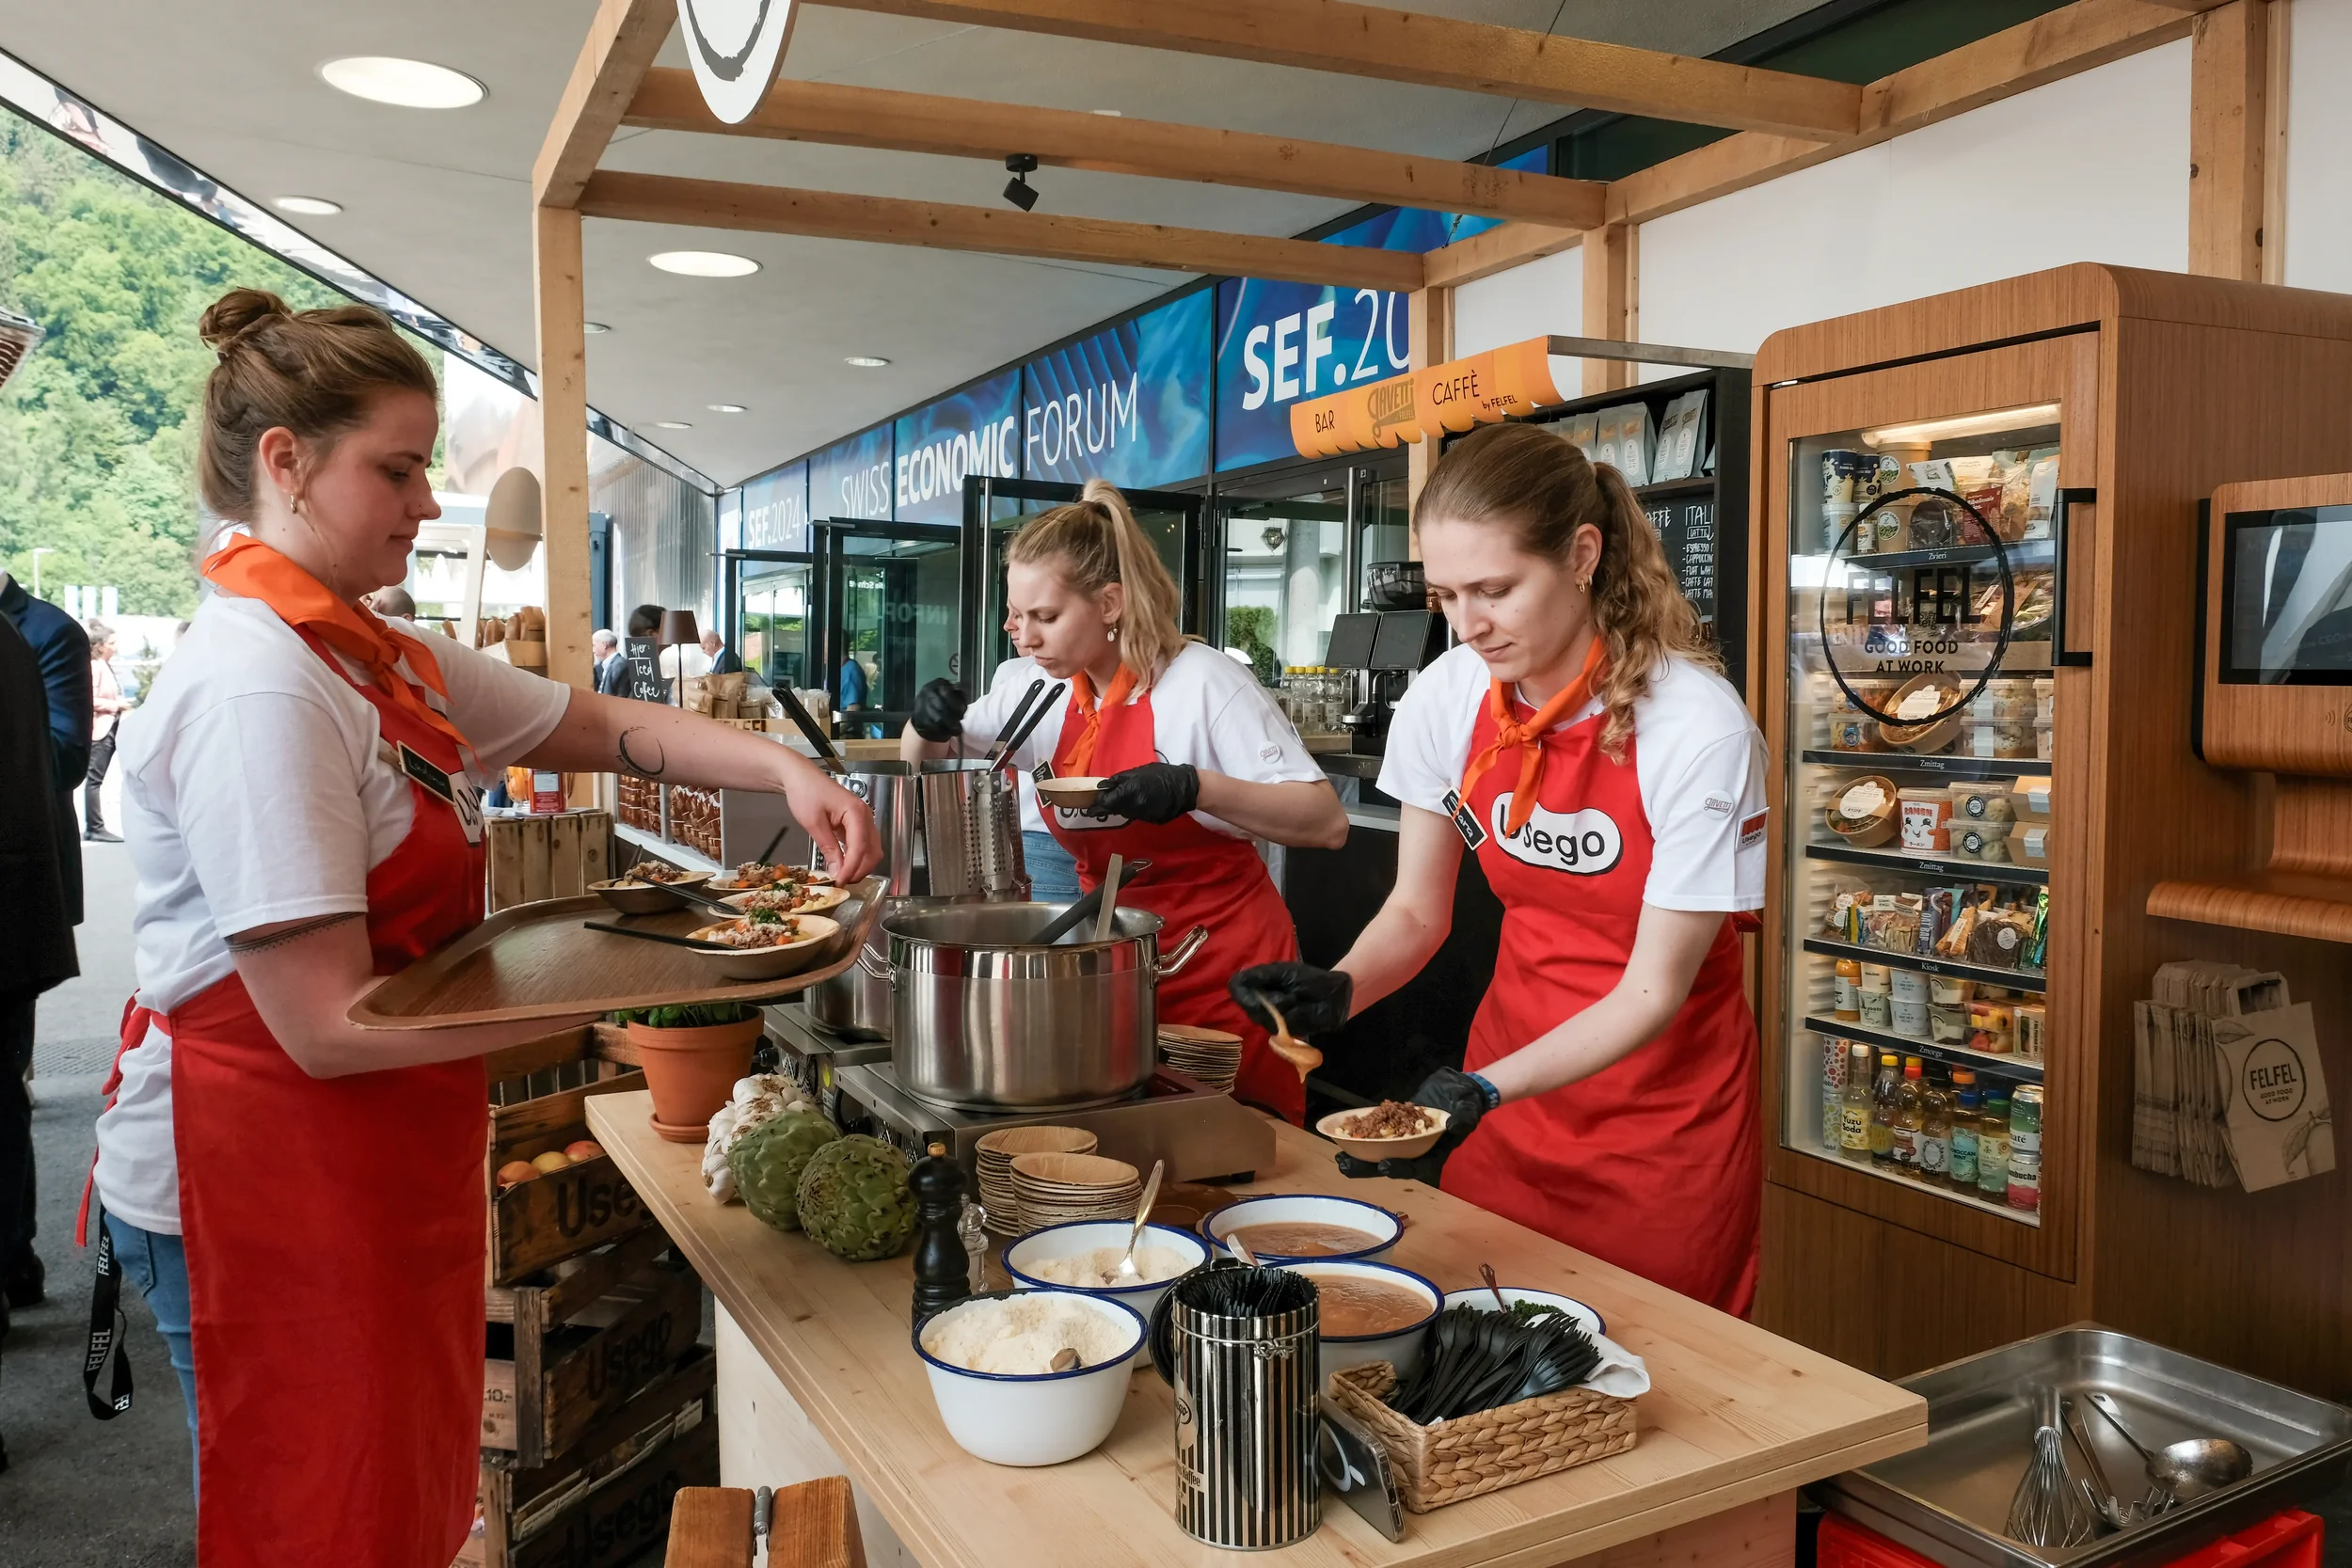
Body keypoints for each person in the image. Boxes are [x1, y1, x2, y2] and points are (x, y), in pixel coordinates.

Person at [91, 289, 876, 1558]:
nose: (420, 501)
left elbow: (580, 719)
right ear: (284, 462)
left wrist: (780, 768)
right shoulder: (262, 685)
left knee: (395, 1500)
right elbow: (329, 1026)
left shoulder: (368, 651)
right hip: (259, 1169)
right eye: (394, 470)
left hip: (375, 1152)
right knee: (316, 1510)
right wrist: (618, 999)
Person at [1233, 423, 1768, 1314]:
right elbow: (1416, 912)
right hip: (1503, 1109)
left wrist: (1480, 1086)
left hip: (1660, 1128)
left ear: (1583, 555)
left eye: (1496, 589)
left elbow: (1653, 990)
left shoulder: (1696, 728)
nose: (1466, 624)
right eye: (1446, 594)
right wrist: (1338, 989)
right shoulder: (1447, 699)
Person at [903, 479, 1345, 1123]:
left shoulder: (1203, 683)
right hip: (1116, 978)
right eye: (1014, 614)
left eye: (1044, 617)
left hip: (1225, 969)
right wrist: (924, 722)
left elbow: (1325, 821)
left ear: (1109, 602)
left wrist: (1194, 787)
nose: (1021, 636)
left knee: (1235, 1153)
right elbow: (926, 763)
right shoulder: (1041, 691)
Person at [0, 566, 85, 1318]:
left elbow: (65, 755)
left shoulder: (47, 632)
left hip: (21, 883)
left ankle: (14, 1256)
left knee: (4, 1088)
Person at [85, 619, 133, 842]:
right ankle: (94, 827)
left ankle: (96, 826)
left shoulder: (106, 666)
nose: (116, 646)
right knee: (94, 780)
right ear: (101, 645)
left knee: (98, 779)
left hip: (111, 726)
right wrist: (115, 705)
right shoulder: (95, 667)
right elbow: (89, 699)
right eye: (112, 642)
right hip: (101, 727)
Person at [592, 628, 623, 694]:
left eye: (593, 645)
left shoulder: (619, 665)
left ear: (604, 645)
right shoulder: (602, 666)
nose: (593, 651)